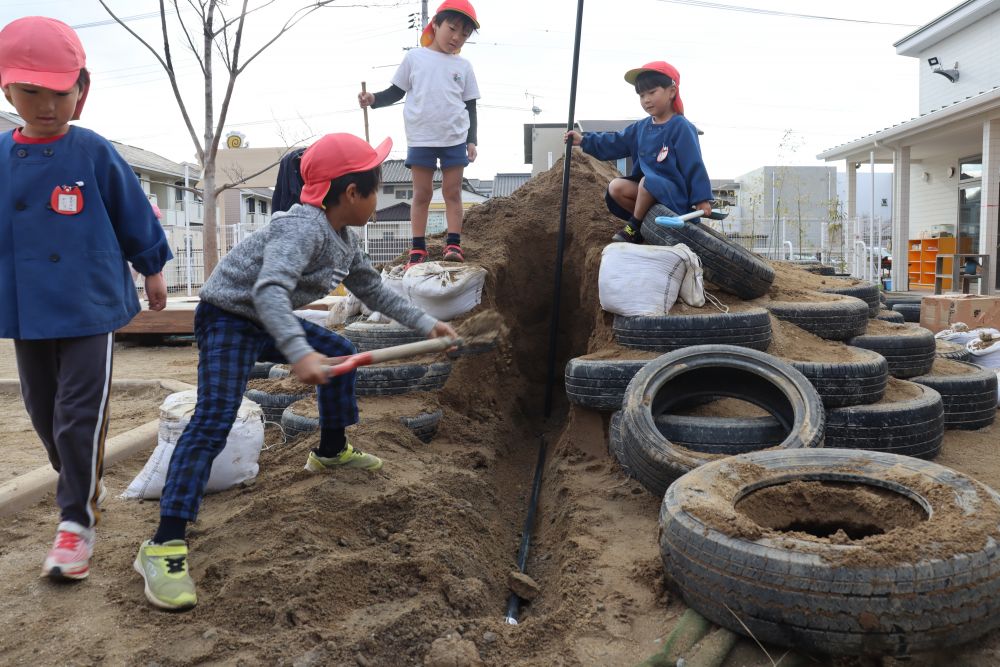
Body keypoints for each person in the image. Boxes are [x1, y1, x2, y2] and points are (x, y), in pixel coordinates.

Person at [132, 132, 459, 610]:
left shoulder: (343, 238)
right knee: (214, 419)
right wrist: (299, 354)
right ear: (352, 193)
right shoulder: (301, 229)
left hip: (266, 317)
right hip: (228, 316)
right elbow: (268, 292)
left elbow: (375, 291)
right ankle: (163, 543)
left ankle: (329, 450)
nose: (379, 197)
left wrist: (430, 324)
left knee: (341, 354)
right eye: (376, 188)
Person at [0, 17, 171, 580]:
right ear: (7, 88)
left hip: (90, 304)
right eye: (31, 91)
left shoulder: (92, 151)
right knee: (42, 413)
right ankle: (80, 483)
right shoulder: (1, 155)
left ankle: (75, 522)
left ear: (82, 89)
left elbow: (133, 212)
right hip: (26, 308)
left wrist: (152, 269)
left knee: (78, 416)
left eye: (60, 91)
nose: (47, 104)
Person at [358, 0, 480, 269]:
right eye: (452, 28)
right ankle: (418, 250)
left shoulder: (464, 66)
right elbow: (396, 92)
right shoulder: (415, 58)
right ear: (435, 24)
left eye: (465, 34)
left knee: (453, 192)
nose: (457, 37)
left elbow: (470, 105)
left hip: (454, 138)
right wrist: (373, 98)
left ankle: (454, 244)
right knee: (422, 194)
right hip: (422, 137)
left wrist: (472, 140)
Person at [565, 61, 714, 244]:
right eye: (642, 95)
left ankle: (634, 226)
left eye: (652, 92)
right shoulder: (641, 128)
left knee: (647, 180)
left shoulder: (681, 127)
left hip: (674, 195)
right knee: (616, 187)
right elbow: (615, 142)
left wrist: (702, 198)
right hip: (648, 191)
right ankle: (648, 225)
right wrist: (584, 141)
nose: (646, 100)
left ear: (672, 92)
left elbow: (694, 164)